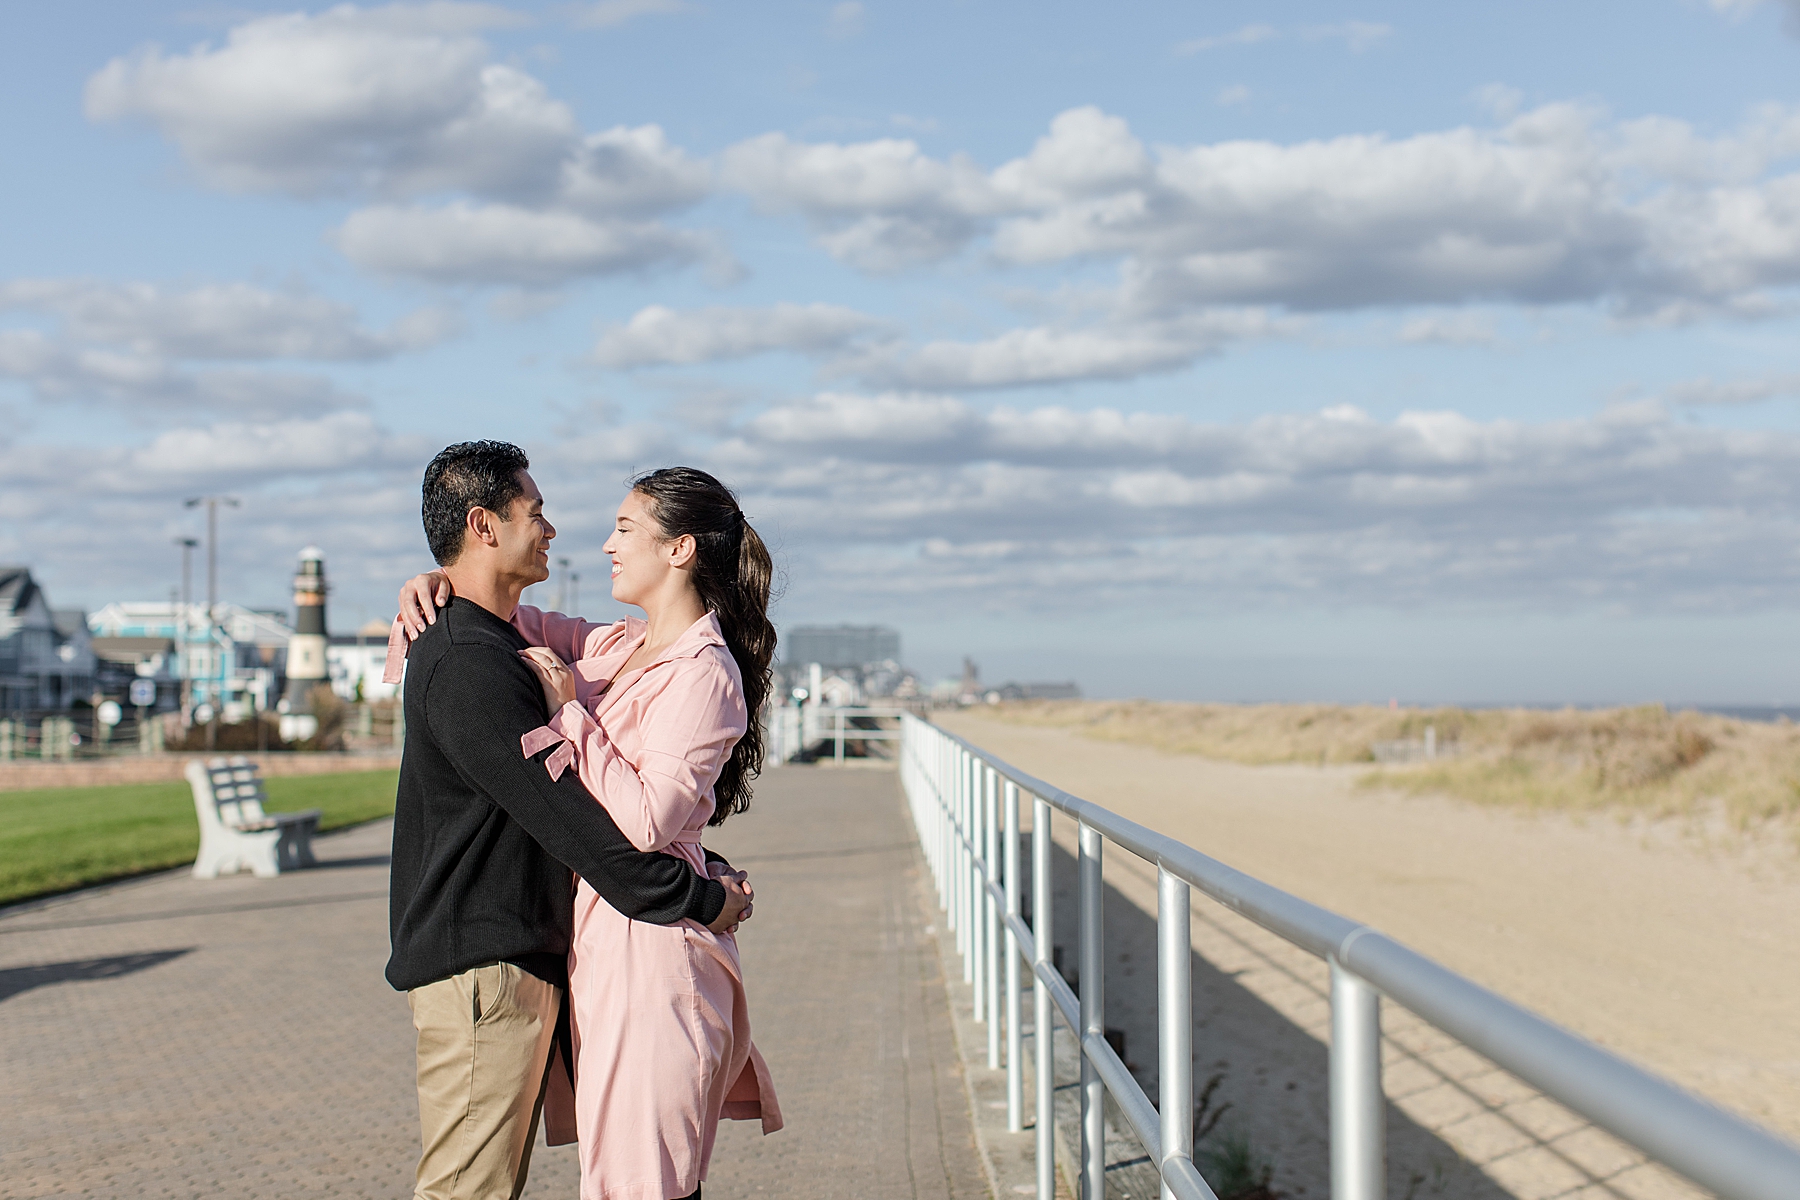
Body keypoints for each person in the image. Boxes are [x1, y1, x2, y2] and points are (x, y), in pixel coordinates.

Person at [396, 466, 782, 1200]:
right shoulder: (617, 645)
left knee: (644, 1183)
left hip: (653, 956)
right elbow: (500, 616)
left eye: (626, 529)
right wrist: (434, 580)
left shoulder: (703, 672)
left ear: (681, 550)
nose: (605, 543)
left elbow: (645, 820)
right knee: (619, 1177)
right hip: (603, 945)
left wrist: (570, 712)